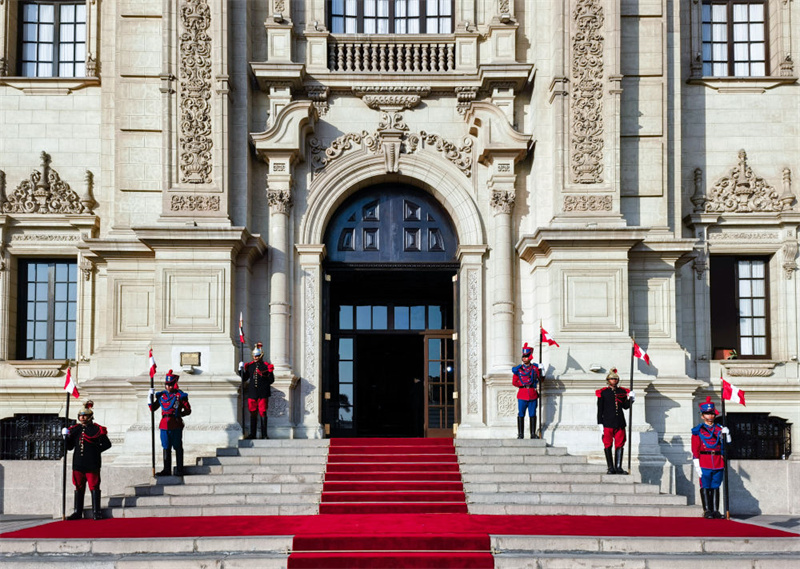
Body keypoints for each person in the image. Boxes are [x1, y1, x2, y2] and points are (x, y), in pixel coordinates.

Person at [62, 400, 112, 520]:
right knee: (78, 486)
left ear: (90, 417)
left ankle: (96, 511)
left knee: (94, 486)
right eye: (80, 415)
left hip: (92, 463)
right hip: (78, 463)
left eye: (84, 415)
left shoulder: (97, 429)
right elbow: (69, 447)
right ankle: (77, 512)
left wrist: (95, 451)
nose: (82, 417)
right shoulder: (75, 430)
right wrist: (65, 437)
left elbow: (107, 444)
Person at [691, 396, 731, 519]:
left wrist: (727, 434)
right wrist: (697, 464)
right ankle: (707, 510)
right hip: (704, 460)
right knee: (705, 485)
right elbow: (695, 448)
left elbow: (726, 444)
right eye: (707, 414)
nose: (710, 416)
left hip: (718, 460)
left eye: (712, 414)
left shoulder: (719, 429)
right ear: (703, 416)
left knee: (715, 485)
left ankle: (715, 510)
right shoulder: (698, 430)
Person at [148, 370, 191, 476]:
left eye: (171, 384)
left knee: (177, 446)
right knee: (166, 446)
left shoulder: (180, 396)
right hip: (164, 425)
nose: (169, 387)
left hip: (175, 424)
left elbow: (188, 410)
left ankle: (180, 468)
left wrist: (180, 414)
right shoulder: (161, 396)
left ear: (175, 384)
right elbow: (153, 408)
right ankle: (166, 469)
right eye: (167, 384)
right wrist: (149, 397)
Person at [596, 368, 635, 474]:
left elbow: (625, 407)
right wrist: (600, 423)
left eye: (616, 379)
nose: (614, 380)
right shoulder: (603, 392)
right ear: (608, 380)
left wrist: (631, 399)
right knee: (608, 444)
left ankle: (618, 467)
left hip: (619, 422)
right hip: (607, 422)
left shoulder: (622, 391)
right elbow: (600, 409)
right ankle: (610, 467)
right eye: (612, 379)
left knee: (620, 444)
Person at [240, 342, 275, 439]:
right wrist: (241, 370)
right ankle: (253, 434)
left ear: (261, 355)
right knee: (252, 413)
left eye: (257, 355)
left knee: (263, 412)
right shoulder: (250, 366)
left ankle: (264, 434)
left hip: (263, 392)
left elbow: (271, 380)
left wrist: (268, 373)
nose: (255, 357)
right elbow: (244, 378)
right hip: (252, 392)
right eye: (254, 355)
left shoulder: (266, 366)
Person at [512, 343, 542, 439]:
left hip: (532, 394)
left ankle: (532, 434)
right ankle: (520, 434)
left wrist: (542, 371)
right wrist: (523, 385)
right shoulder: (518, 369)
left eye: (526, 357)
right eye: (523, 357)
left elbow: (540, 379)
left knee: (532, 414)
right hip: (522, 394)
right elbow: (514, 382)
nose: (524, 358)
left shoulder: (535, 368)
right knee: (521, 414)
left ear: (530, 357)